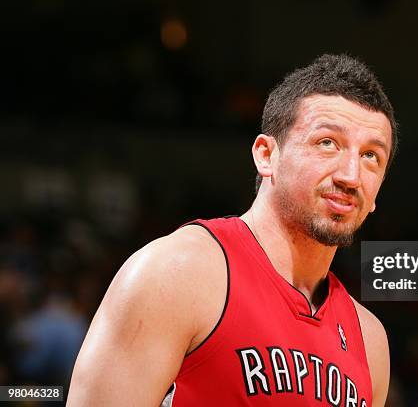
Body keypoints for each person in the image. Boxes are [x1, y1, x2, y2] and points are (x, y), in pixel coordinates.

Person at [67, 54, 398, 407]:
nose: (350, 175)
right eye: (327, 143)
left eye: (370, 157)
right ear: (266, 155)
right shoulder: (177, 273)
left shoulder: (370, 341)